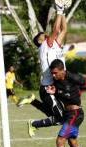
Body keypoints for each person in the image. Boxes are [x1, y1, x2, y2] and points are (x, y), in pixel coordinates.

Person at [17, 4, 68, 136]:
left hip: (54, 86)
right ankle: (33, 123)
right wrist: (59, 10)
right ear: (41, 42)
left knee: (54, 115)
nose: (47, 36)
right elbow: (56, 30)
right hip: (48, 88)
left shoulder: (54, 45)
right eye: (43, 36)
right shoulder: (45, 46)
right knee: (61, 118)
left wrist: (63, 12)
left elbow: (63, 30)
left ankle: (33, 100)